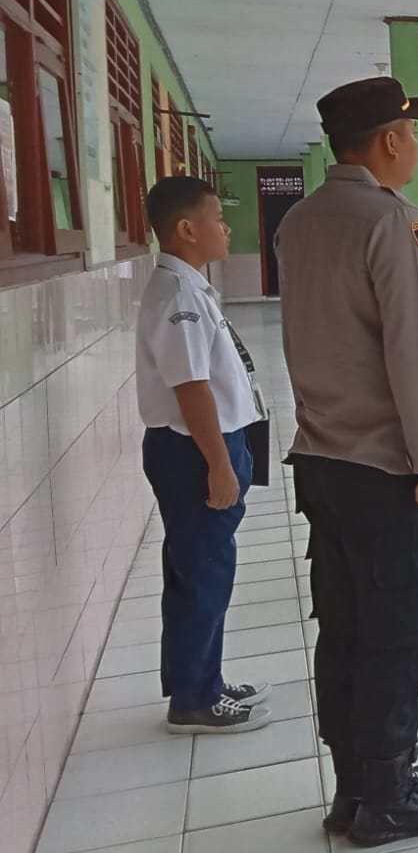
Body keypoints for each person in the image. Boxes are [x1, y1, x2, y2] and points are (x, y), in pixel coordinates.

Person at [276, 76, 418, 846]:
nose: (416, 147)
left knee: (345, 627)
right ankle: (389, 794)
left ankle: (355, 789)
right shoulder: (389, 219)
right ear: (390, 140)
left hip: (322, 461)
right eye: (412, 134)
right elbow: (412, 351)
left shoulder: (298, 221)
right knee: (399, 630)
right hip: (386, 468)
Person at [135, 175, 269, 735]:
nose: (226, 228)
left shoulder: (187, 286)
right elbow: (191, 389)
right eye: (217, 219)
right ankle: (194, 699)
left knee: (198, 567)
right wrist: (219, 464)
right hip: (193, 450)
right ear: (187, 229)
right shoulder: (179, 297)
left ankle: (200, 681)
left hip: (201, 445)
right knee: (203, 573)